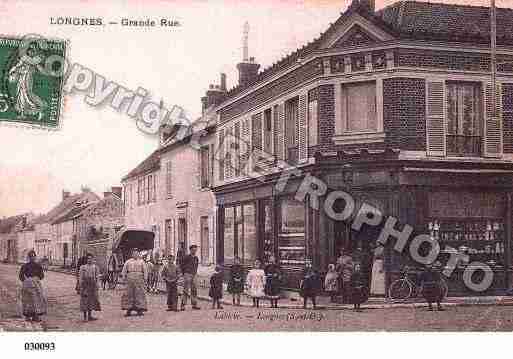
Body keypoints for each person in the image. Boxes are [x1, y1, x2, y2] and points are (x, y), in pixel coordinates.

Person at [18, 250, 47, 322]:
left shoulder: (37, 266)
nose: (32, 258)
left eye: (33, 257)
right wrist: (27, 280)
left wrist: (34, 279)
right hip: (29, 286)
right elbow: (21, 276)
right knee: (28, 300)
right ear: (29, 257)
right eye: (31, 257)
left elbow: (42, 276)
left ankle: (35, 316)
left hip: (35, 286)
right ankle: (28, 316)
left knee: (35, 300)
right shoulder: (25, 266)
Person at [121, 249, 148, 317]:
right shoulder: (128, 262)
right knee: (129, 294)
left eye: (136, 253)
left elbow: (145, 271)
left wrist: (145, 279)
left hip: (139, 280)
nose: (135, 255)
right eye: (134, 253)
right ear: (132, 254)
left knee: (139, 294)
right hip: (130, 279)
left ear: (138, 254)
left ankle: (139, 309)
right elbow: (124, 270)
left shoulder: (142, 262)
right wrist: (124, 278)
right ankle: (128, 310)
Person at [79, 253, 101, 321]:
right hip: (85, 285)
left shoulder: (95, 267)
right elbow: (81, 277)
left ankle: (90, 316)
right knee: (85, 300)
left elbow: (97, 277)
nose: (89, 260)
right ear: (86, 260)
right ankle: (85, 317)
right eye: (88, 258)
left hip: (92, 285)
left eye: (91, 258)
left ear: (93, 259)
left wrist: (97, 285)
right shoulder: (83, 267)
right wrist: (81, 285)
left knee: (91, 301)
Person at [180, 245, 201, 310]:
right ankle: (183, 305)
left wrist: (195, 273)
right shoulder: (186, 257)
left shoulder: (196, 258)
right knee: (186, 290)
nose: (194, 251)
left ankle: (194, 304)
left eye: (195, 250)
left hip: (194, 274)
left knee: (194, 289)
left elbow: (196, 266)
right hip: (187, 274)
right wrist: (184, 273)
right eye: (193, 250)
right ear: (190, 250)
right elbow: (182, 265)